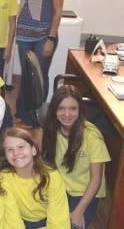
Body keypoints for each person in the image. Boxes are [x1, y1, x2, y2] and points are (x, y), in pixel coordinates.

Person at [41, 86, 110, 229]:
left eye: (73, 109)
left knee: (71, 226)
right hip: (60, 187)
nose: (67, 114)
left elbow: (96, 179)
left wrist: (79, 210)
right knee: (38, 220)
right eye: (61, 108)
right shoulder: (51, 129)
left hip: (84, 193)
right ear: (54, 110)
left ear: (80, 110)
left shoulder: (92, 136)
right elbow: (46, 163)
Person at [16, 0, 64, 126]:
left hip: (43, 36)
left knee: (39, 76)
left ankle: (36, 118)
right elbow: (23, 3)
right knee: (26, 75)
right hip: (23, 34)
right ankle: (22, 113)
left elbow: (58, 12)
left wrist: (51, 38)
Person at [1, 127, 70, 229]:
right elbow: (13, 222)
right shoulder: (4, 179)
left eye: (21, 147)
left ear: (33, 150)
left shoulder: (51, 176)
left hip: (48, 220)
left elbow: (59, 222)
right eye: (10, 150)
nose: (16, 153)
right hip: (21, 221)